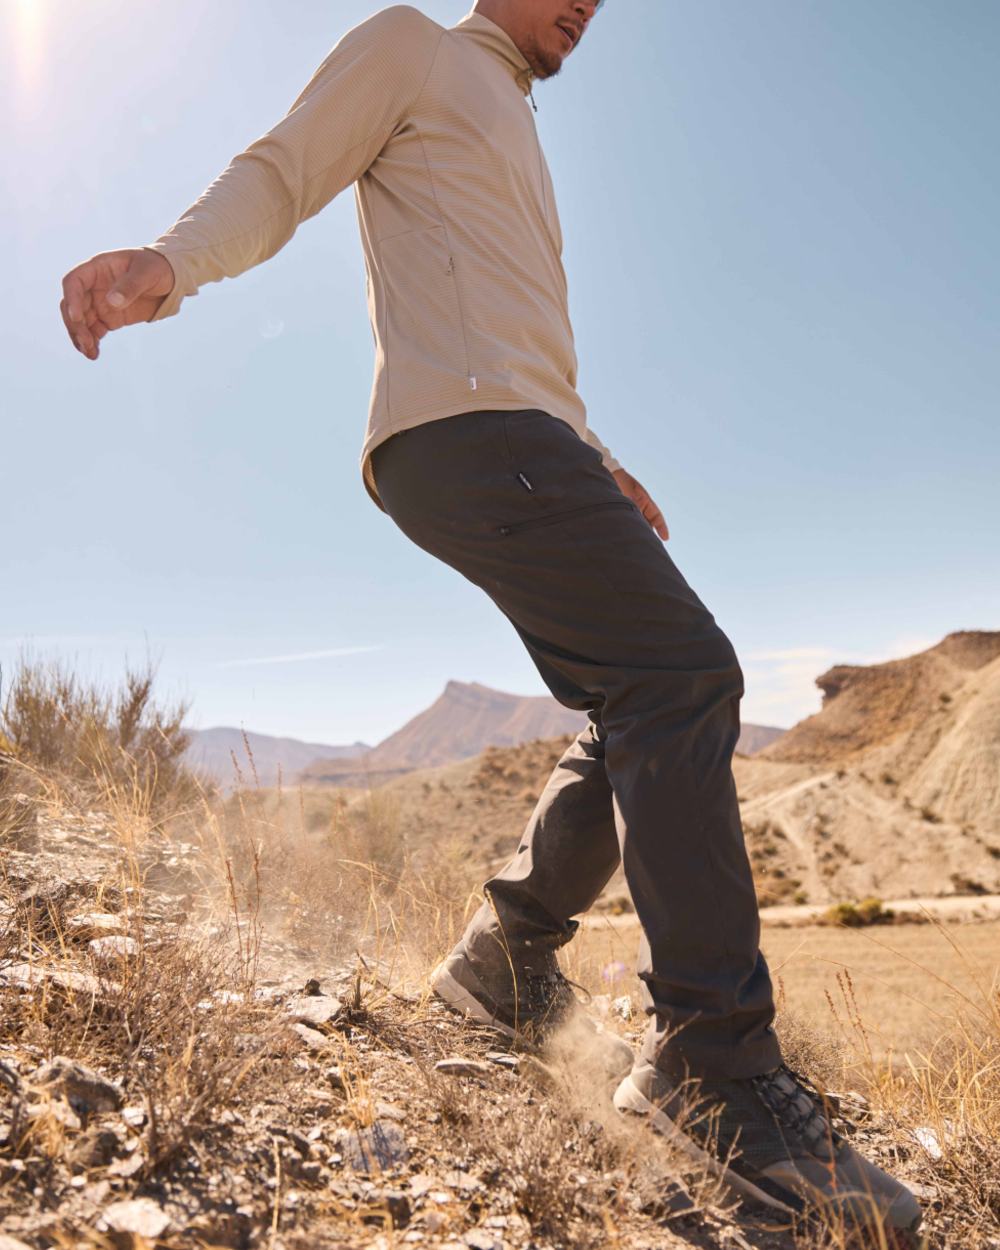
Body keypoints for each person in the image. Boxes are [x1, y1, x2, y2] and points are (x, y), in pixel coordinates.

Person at [60, 0, 919, 1234]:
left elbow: (514, 328)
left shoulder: (509, 116)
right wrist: (169, 262)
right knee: (685, 674)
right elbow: (284, 168)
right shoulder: (413, 46)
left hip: (519, 432)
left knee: (642, 689)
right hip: (464, 432)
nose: (590, 4)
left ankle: (501, 967)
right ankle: (713, 1070)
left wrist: (593, 453)